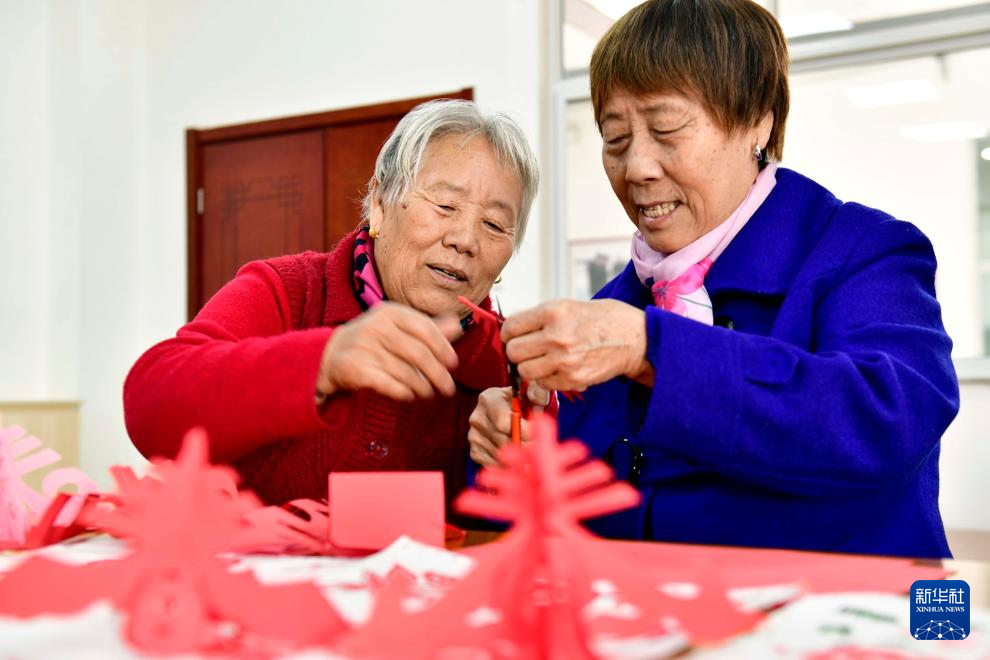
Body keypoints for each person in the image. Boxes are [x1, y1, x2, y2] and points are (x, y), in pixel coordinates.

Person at [468, 0, 959, 558]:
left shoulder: (865, 252)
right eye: (616, 139)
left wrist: (653, 350)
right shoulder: (620, 305)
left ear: (758, 122)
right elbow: (588, 508)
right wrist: (523, 443)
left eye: (667, 129)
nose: (637, 168)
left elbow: (884, 422)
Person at [124, 99, 539, 506]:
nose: (465, 240)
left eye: (494, 224)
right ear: (379, 204)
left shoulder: (508, 360)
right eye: (445, 205)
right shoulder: (291, 290)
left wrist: (519, 447)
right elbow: (151, 408)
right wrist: (323, 362)